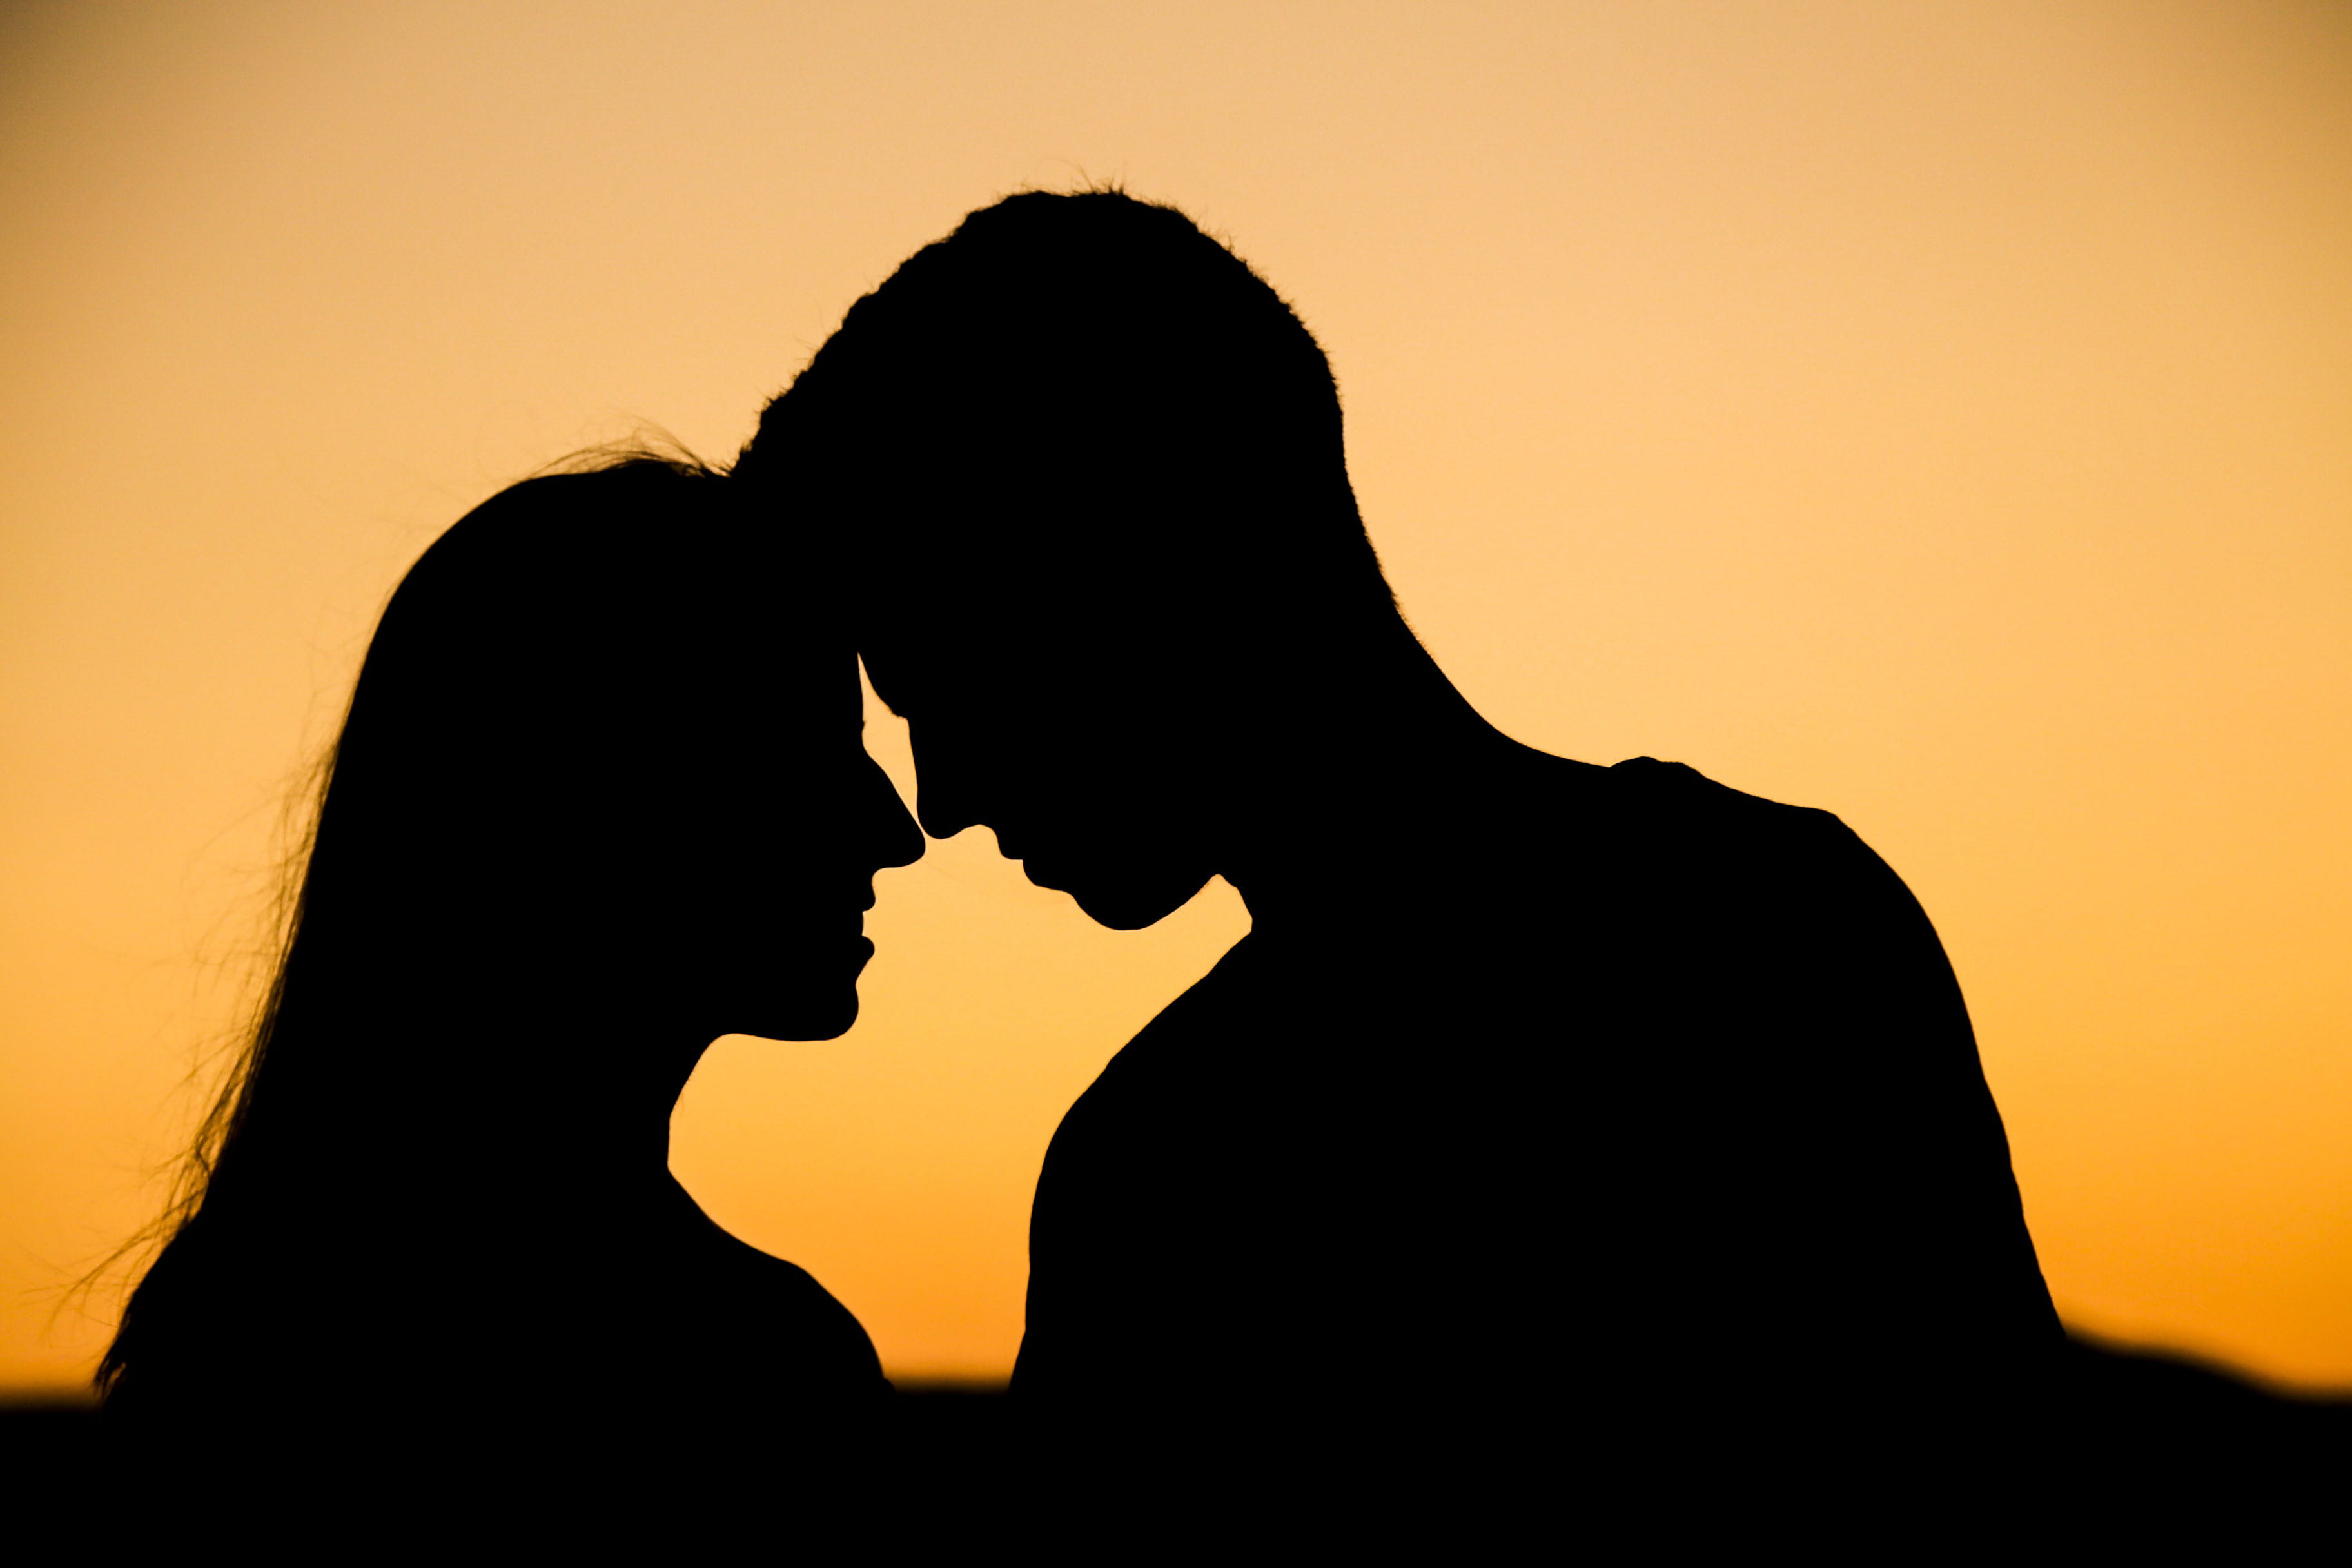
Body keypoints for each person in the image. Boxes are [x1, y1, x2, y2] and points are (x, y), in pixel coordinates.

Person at [737, 191, 2064, 1478]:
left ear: (1140, 566)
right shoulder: (1778, 922)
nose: (944, 797)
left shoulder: (1171, 1166)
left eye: (947, 683)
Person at [97, 455, 921, 1488]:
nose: (895, 830)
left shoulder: (251, 1331)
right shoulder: (752, 1375)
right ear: (611, 783)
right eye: (810, 748)